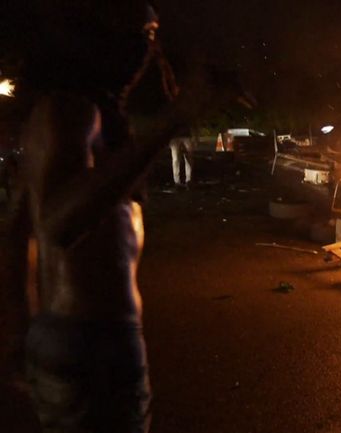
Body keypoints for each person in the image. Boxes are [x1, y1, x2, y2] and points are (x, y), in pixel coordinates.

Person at [2, 1, 196, 431]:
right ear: (100, 38)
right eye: (142, 35)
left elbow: (17, 228)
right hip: (94, 345)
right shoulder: (73, 112)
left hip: (77, 336)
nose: (149, 51)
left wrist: (20, 330)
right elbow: (57, 224)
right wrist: (168, 124)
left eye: (152, 37)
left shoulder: (71, 112)